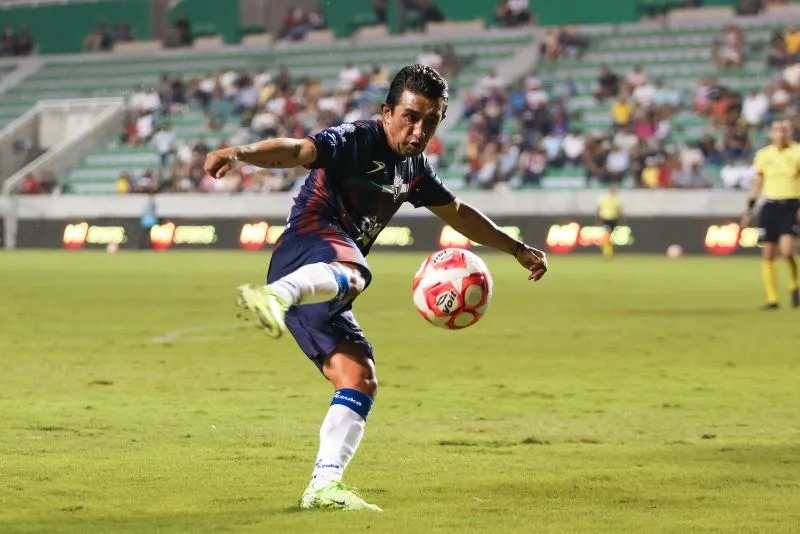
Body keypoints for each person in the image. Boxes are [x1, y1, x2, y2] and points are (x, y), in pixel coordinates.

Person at [203, 65, 548, 512]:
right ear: (387, 112)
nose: (418, 131)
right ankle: (274, 296)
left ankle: (323, 487)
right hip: (308, 246)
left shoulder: (415, 169)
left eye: (431, 121)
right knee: (357, 271)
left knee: (359, 378)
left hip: (327, 283)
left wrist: (516, 248)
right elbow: (299, 150)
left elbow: (458, 213)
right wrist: (240, 153)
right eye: (410, 117)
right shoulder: (357, 139)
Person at [741, 120, 800, 309]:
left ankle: (794, 287)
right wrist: (749, 209)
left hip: (791, 204)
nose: (780, 134)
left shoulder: (797, 152)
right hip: (770, 205)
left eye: (783, 130)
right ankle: (772, 299)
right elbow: (758, 182)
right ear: (771, 134)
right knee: (767, 253)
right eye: (776, 130)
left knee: (787, 252)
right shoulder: (764, 155)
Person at [597, 184, 622, 259]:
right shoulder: (605, 199)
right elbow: (599, 209)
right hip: (606, 218)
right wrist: (599, 219)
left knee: (609, 235)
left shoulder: (615, 200)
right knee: (607, 234)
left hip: (613, 219)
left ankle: (607, 249)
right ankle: (607, 251)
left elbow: (619, 210)